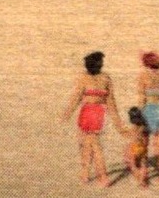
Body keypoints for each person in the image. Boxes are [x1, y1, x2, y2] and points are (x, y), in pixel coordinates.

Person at [62, 51, 122, 187]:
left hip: (87, 112)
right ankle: (85, 173)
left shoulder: (84, 78)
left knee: (91, 145)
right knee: (89, 143)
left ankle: (103, 177)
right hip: (99, 112)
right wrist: (117, 122)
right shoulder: (106, 79)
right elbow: (111, 102)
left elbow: (76, 97)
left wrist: (67, 114)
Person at [137, 52, 159, 181]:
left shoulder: (143, 77)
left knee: (145, 144)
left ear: (146, 64)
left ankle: (144, 173)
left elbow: (142, 98)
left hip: (148, 110)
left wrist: (139, 115)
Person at [125, 107, 152, 188]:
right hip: (143, 148)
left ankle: (139, 178)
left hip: (135, 148)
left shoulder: (134, 128)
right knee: (143, 164)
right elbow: (146, 140)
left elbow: (133, 139)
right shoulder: (144, 127)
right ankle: (143, 182)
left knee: (132, 164)